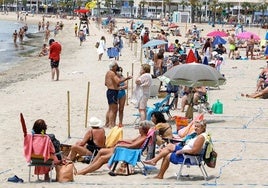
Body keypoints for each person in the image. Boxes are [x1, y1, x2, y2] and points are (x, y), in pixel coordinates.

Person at [75, 120, 153, 175]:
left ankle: (84, 172)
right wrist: (122, 140)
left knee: (102, 159)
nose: (138, 129)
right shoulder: (141, 136)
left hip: (129, 153)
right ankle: (89, 167)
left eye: (139, 127)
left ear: (143, 129)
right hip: (125, 150)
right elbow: (132, 141)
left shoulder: (143, 138)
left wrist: (121, 145)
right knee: (101, 151)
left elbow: (132, 146)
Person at [105, 61, 132, 128]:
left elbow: (105, 83)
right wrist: (126, 78)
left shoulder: (108, 73)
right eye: (116, 66)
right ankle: (111, 124)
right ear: (113, 67)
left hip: (110, 91)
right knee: (113, 109)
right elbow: (118, 81)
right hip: (113, 91)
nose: (117, 67)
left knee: (112, 108)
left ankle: (109, 123)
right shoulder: (112, 73)